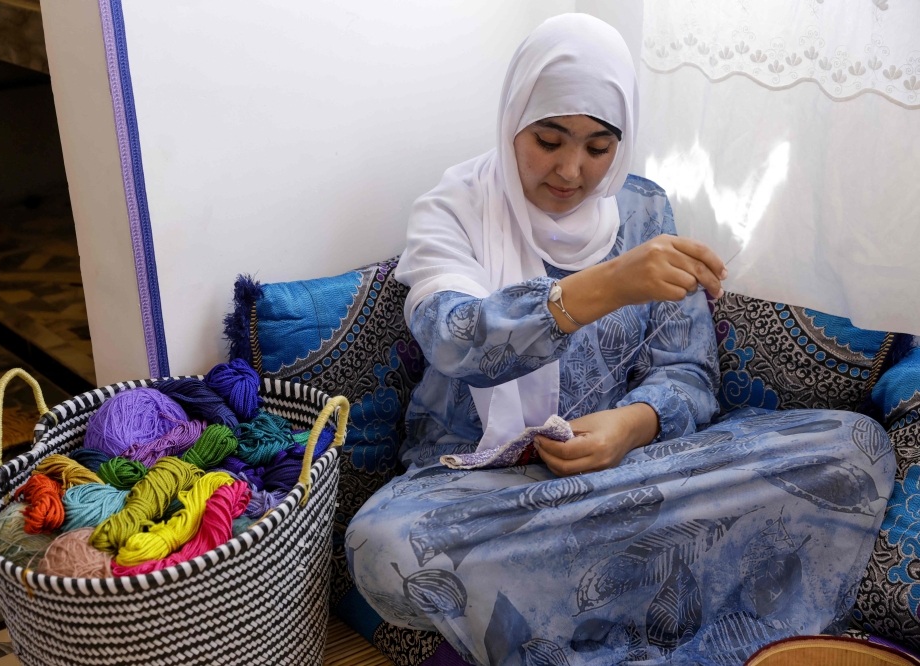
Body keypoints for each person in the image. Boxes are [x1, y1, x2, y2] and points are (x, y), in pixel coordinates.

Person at [347, 14, 894, 666]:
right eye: (548, 139)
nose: (572, 170)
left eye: (598, 147)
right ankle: (662, 603)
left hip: (627, 482)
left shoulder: (644, 211)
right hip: (483, 497)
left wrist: (630, 427)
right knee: (384, 547)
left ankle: (569, 613)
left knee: (851, 445)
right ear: (512, 118)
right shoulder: (453, 209)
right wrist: (603, 286)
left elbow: (689, 374)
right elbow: (453, 339)